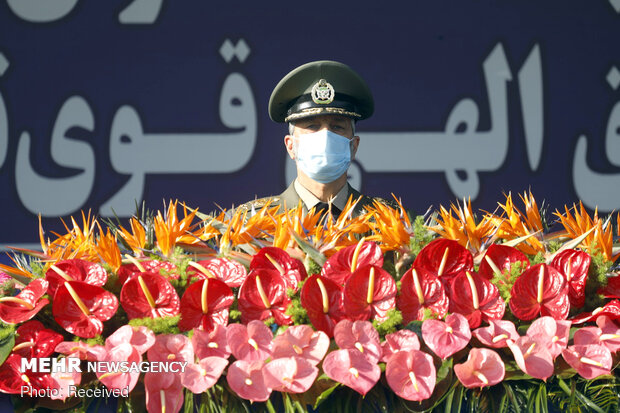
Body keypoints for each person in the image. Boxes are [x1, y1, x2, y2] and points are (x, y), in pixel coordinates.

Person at [239, 60, 396, 218]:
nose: (325, 135)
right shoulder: (251, 225)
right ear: (290, 146)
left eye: (337, 127)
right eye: (312, 126)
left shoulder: (391, 222)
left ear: (354, 146)